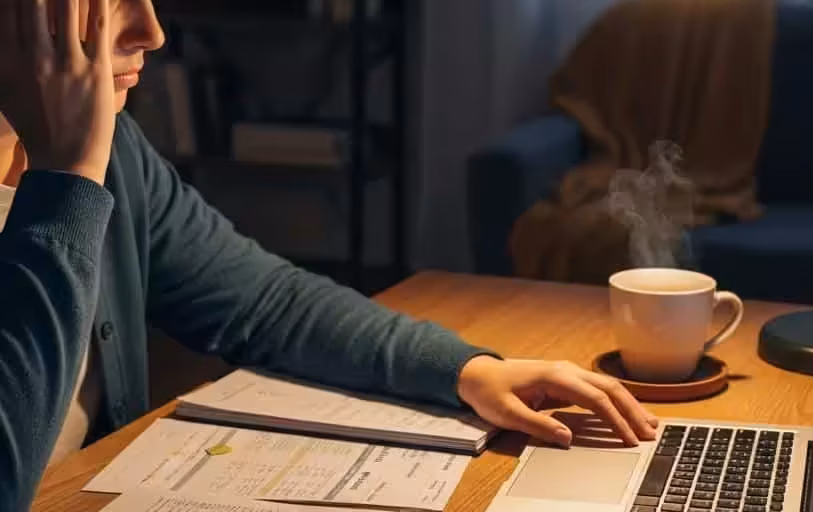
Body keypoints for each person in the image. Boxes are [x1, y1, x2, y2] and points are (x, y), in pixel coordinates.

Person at [0, 0, 659, 509]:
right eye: (102, 0)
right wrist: (67, 181)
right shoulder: (82, 163)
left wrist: (470, 372)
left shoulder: (114, 153)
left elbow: (266, 303)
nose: (150, 31)